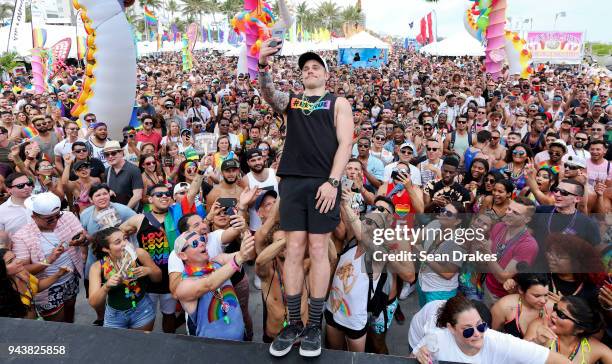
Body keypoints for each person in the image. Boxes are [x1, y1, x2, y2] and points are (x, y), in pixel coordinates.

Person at [258, 46, 353, 357]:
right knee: (293, 249)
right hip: (293, 182)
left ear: (326, 74)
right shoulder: (293, 102)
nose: (310, 70)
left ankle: (313, 325)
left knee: (318, 250)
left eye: (316, 67)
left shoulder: (338, 103)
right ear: (301, 75)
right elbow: (270, 94)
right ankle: (294, 322)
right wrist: (262, 66)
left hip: (324, 183)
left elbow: (345, 144)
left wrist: (333, 181)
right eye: (306, 68)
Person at [413, 295, 571, 364]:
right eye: (467, 330)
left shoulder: (500, 341)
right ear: (451, 329)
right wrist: (418, 356)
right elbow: (411, 358)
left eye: (481, 326)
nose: (477, 334)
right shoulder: (436, 339)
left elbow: (560, 361)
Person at [11, 192, 86, 322]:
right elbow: (22, 269)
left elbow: (85, 236)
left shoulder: (67, 217)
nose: (56, 220)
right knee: (56, 326)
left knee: (70, 315)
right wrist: (50, 259)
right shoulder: (21, 236)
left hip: (71, 279)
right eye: (50, 219)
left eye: (58, 215)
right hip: (47, 288)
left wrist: (82, 240)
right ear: (34, 217)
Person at [173, 229, 256, 340]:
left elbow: (249, 255)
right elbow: (208, 284)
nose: (202, 243)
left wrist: (247, 239)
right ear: (183, 255)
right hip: (212, 349)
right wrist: (239, 258)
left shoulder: (218, 261)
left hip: (241, 338)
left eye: (202, 239)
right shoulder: (184, 285)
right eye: (195, 243)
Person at [88, 227, 161, 330]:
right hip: (114, 316)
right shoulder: (97, 267)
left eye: (125, 239)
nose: (124, 244)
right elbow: (93, 302)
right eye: (118, 242)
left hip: (142, 310)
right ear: (106, 249)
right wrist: (106, 286)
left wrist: (148, 270)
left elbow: (158, 278)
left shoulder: (139, 253)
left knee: (141, 343)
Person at [482, 197, 539, 305]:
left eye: (516, 213)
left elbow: (503, 277)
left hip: (505, 296)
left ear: (527, 219)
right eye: (509, 209)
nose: (508, 213)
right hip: (488, 285)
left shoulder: (528, 245)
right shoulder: (499, 226)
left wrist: (487, 253)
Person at [524, 296, 611, 364]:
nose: (553, 314)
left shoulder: (594, 348)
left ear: (579, 329)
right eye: (555, 308)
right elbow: (518, 358)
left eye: (561, 314)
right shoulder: (539, 326)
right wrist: (536, 343)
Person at [415, 202, 467, 307]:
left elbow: (448, 274)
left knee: (436, 322)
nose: (443, 214)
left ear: (457, 221)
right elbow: (416, 242)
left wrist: (425, 257)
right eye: (443, 210)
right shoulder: (435, 224)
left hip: (440, 291)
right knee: (424, 316)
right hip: (422, 283)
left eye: (448, 214)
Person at [0, 248, 71, 319]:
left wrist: (59, 274)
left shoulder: (22, 273)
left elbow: (37, 286)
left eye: (15, 257)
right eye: (10, 261)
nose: (18, 261)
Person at [491, 273, 551, 339]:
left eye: (546, 295)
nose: (543, 301)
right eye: (537, 296)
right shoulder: (504, 307)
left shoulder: (552, 307)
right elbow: (491, 335)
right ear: (521, 290)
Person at [241, 148, 278, 233]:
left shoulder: (275, 174)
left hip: (277, 224)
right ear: (248, 162)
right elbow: (245, 206)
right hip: (257, 227)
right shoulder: (246, 180)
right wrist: (253, 199)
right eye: (253, 160)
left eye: (259, 159)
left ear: (263, 159)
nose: (257, 163)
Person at [104, 140, 144, 210]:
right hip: (114, 212)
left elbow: (137, 195)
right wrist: (108, 191)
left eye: (113, 153)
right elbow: (105, 190)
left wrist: (125, 211)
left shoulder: (134, 170)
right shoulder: (107, 171)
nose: (110, 156)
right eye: (107, 154)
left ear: (121, 153)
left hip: (132, 212)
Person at [0, 173, 34, 237]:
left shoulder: (40, 201)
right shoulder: (1, 211)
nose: (26, 187)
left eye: (29, 183)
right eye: (20, 185)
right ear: (9, 190)